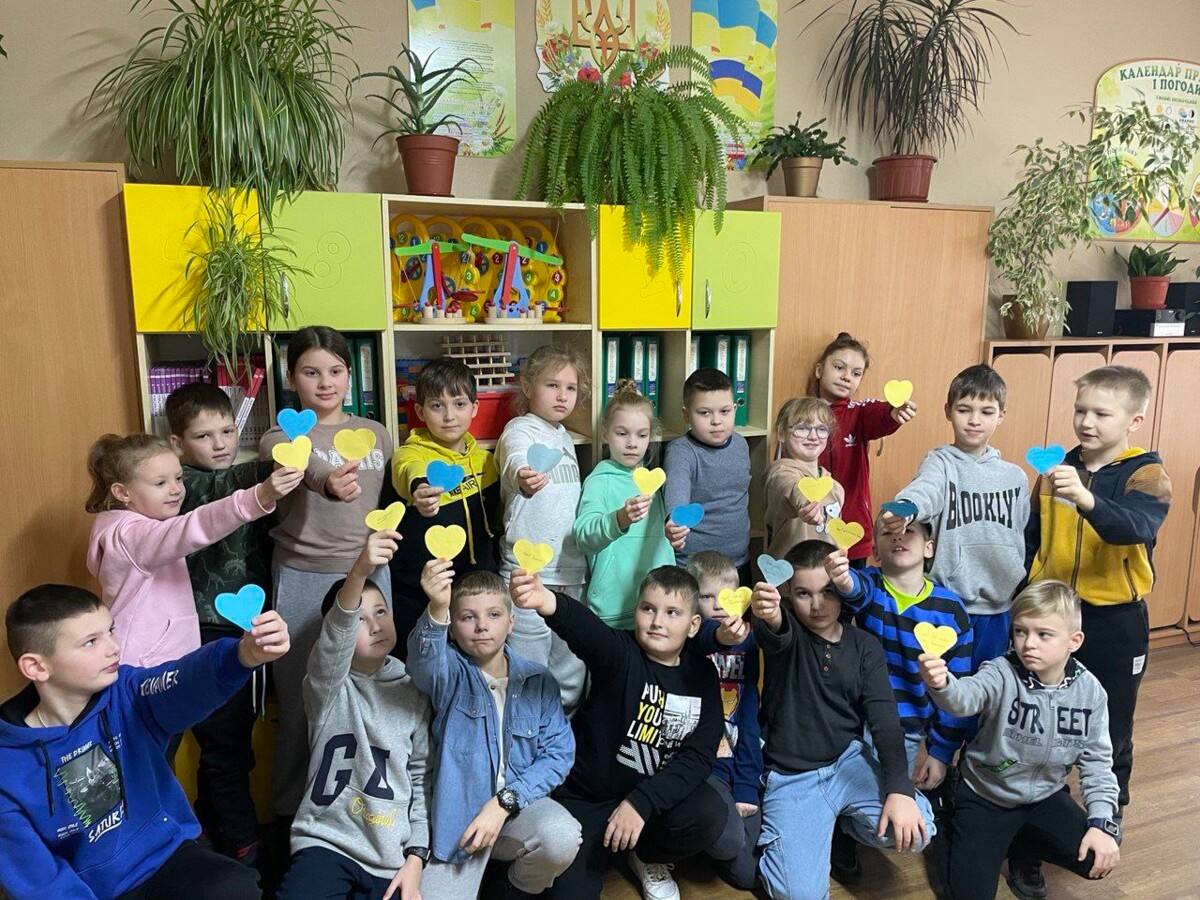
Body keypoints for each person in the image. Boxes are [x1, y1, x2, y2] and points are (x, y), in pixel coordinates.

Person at [0, 583, 290, 900]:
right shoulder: (8, 765)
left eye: (110, 631)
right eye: (91, 642)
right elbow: (40, 881)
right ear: (36, 667)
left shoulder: (126, 692)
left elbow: (182, 681)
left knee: (235, 886)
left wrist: (242, 655)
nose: (113, 647)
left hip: (167, 858)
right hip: (96, 892)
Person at [1014, 365, 1170, 898]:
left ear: (1134, 420)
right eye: (1080, 410)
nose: (1086, 422)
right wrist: (1024, 595)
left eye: (1101, 413)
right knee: (1036, 723)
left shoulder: (1146, 474)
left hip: (1115, 622)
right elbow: (1032, 539)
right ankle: (1030, 838)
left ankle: (1107, 819)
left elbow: (1136, 527)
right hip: (1052, 617)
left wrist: (1085, 498)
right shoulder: (1054, 467)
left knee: (1113, 725)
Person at [511, 565, 727, 900]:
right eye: (648, 609)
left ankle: (645, 855)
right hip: (589, 799)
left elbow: (698, 757)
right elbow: (588, 631)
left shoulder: (702, 674)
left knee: (708, 813)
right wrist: (546, 601)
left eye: (672, 613)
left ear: (694, 624)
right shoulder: (621, 653)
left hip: (649, 805)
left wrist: (641, 803)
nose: (657, 621)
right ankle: (606, 849)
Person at [260, 325, 394, 817]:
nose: (325, 382)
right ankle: (289, 815)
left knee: (372, 692)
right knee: (301, 699)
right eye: (310, 372)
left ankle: (362, 809)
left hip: (370, 574)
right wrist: (328, 483)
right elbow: (306, 469)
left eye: (336, 371)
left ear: (350, 374)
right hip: (304, 574)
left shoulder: (377, 434)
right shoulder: (281, 435)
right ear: (291, 377)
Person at [751, 540, 935, 900]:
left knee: (919, 827)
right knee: (799, 896)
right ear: (788, 593)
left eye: (828, 592)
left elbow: (884, 720)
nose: (817, 605)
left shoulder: (864, 645)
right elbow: (775, 633)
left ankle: (843, 824)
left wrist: (900, 790)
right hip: (791, 777)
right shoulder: (788, 629)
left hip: (846, 763)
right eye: (804, 593)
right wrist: (769, 615)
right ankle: (813, 828)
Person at [917, 581, 1121, 900]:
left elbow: (1098, 764)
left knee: (1097, 857)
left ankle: (1017, 840)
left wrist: (1101, 822)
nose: (1028, 644)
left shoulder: (1090, 692)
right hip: (986, 796)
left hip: (1044, 796)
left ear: (1074, 641)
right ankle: (943, 815)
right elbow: (964, 698)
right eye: (1020, 631)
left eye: (1043, 634)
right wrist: (942, 684)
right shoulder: (1001, 671)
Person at [409, 561, 579, 900]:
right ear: (452, 630)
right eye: (467, 617)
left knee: (561, 836)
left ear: (511, 622)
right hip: (458, 826)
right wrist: (438, 607)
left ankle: (508, 890)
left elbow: (559, 755)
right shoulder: (449, 674)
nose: (482, 626)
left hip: (516, 811)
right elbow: (423, 661)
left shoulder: (538, 680)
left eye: (494, 615)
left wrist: (504, 803)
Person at [276, 530, 431, 900]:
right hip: (327, 843)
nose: (375, 625)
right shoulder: (327, 685)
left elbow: (422, 780)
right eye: (359, 620)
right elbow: (335, 636)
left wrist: (416, 857)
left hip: (389, 858)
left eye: (380, 612)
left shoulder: (414, 691)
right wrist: (359, 571)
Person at [165, 382, 278, 867]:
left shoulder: (239, 477)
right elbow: (225, 488)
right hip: (207, 630)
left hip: (246, 626)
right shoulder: (182, 485)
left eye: (228, 431)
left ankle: (215, 830)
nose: (220, 444)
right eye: (203, 436)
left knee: (229, 739)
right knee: (224, 744)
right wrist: (283, 465)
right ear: (177, 444)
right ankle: (244, 844)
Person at [824, 521, 972, 881]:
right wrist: (843, 578)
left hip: (906, 731)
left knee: (904, 824)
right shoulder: (872, 585)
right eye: (888, 533)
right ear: (875, 551)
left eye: (910, 531)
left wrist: (940, 752)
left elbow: (958, 690)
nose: (899, 537)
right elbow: (854, 592)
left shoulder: (951, 609)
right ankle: (836, 828)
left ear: (929, 548)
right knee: (847, 785)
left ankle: (844, 827)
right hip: (853, 722)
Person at [85, 432, 297, 670]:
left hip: (162, 660)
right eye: (160, 483)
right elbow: (192, 527)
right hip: (146, 665)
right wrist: (259, 496)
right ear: (123, 493)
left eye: (178, 478)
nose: (176, 489)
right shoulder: (130, 535)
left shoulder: (130, 528)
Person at [881, 364, 1029, 669]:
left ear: (1001, 415)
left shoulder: (1015, 477)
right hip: (948, 603)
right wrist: (906, 507)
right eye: (964, 410)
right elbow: (925, 490)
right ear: (948, 411)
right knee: (942, 682)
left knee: (989, 682)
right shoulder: (940, 463)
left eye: (986, 412)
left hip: (999, 606)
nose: (974, 420)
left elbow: (1020, 530)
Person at [494, 344, 590, 711]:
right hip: (527, 573)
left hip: (571, 572)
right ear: (528, 386)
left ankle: (563, 732)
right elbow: (515, 461)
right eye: (553, 385)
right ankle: (528, 735)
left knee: (570, 667)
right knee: (529, 670)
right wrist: (524, 475)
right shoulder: (519, 429)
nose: (563, 396)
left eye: (571, 388)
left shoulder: (564, 436)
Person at [387, 356, 499, 656]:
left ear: (474, 408)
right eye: (437, 405)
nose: (449, 416)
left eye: (459, 404)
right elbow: (407, 470)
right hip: (420, 593)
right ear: (420, 411)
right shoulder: (410, 454)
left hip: (475, 593)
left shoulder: (487, 462)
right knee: (421, 665)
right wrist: (420, 489)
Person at [575, 380, 683, 629]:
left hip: (658, 609)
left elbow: (657, 542)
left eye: (642, 435)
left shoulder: (654, 480)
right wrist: (620, 518)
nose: (632, 443)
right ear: (606, 433)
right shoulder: (599, 480)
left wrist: (671, 535)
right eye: (622, 433)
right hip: (613, 611)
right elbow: (583, 536)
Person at [686, 551, 762, 891]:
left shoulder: (750, 644)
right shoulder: (688, 640)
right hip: (704, 771)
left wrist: (746, 785)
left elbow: (749, 717)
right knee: (734, 855)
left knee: (750, 871)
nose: (718, 605)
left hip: (739, 763)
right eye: (706, 596)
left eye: (727, 596)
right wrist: (718, 637)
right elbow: (704, 637)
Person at [812, 333, 917, 567]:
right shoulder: (801, 416)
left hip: (852, 533)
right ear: (819, 370)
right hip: (811, 530)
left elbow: (879, 413)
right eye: (839, 367)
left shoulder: (858, 412)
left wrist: (894, 412)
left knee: (852, 588)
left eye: (856, 373)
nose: (846, 377)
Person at [663, 368, 752, 580]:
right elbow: (676, 489)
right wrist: (674, 521)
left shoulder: (741, 444)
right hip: (695, 568)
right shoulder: (681, 451)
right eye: (705, 413)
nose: (716, 420)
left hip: (738, 563)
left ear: (734, 409)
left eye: (724, 411)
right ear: (686, 415)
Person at [764, 396, 845, 559]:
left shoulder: (835, 487)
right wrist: (805, 503)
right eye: (802, 428)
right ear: (781, 433)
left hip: (826, 571)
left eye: (821, 429)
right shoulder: (780, 472)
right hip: (791, 572)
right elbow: (789, 486)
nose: (813, 436)